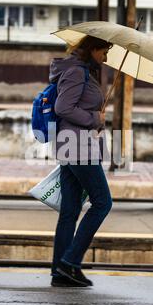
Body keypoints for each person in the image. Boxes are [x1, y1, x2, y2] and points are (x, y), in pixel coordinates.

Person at [49, 35, 113, 287]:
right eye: (104, 51)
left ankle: (59, 272)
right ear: (93, 49)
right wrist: (94, 119)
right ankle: (70, 262)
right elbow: (63, 107)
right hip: (77, 147)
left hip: (72, 145)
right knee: (102, 203)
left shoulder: (81, 71)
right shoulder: (77, 72)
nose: (106, 57)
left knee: (70, 211)